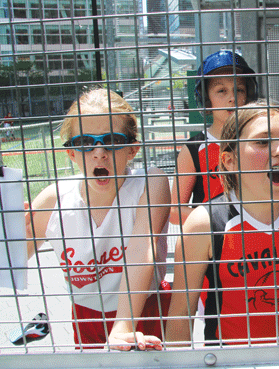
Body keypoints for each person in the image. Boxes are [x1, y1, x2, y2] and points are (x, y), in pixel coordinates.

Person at [166, 101, 279, 345]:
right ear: (229, 161)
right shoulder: (205, 222)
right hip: (231, 358)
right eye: (263, 141)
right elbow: (181, 312)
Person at [25, 88, 171, 350]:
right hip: (86, 314)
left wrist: (124, 326)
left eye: (112, 140)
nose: (99, 152)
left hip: (146, 309)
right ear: (71, 153)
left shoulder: (149, 183)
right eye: (84, 142)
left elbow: (141, 249)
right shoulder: (54, 200)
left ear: (132, 150)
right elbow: (5, 260)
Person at [169, 50, 258, 226]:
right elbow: (174, 212)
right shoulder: (194, 149)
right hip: (211, 244)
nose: (232, 98)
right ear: (206, 100)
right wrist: (220, 219)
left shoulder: (259, 142)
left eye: (239, 89)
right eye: (221, 91)